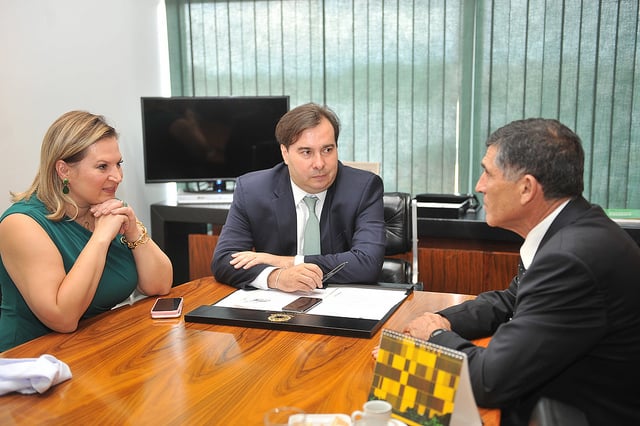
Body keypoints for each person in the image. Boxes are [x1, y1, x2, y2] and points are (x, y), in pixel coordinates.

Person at [400, 118, 640, 425]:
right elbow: (510, 300)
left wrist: (433, 337)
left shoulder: (571, 258)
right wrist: (445, 319)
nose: (479, 186)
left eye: (487, 172)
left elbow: (490, 381)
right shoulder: (573, 229)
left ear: (526, 188)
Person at [0, 111, 173, 352]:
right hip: (30, 363)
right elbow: (63, 317)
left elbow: (160, 285)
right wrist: (101, 238)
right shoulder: (21, 224)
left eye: (118, 164)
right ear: (64, 170)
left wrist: (133, 230)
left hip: (94, 348)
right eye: (102, 166)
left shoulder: (104, 206)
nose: (118, 176)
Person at [212, 102, 385, 292]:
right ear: (285, 154)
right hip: (278, 308)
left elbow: (368, 263)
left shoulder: (363, 188)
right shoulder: (253, 190)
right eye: (306, 152)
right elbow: (224, 260)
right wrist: (276, 277)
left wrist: (284, 262)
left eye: (327, 150)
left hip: (345, 304)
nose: (319, 163)